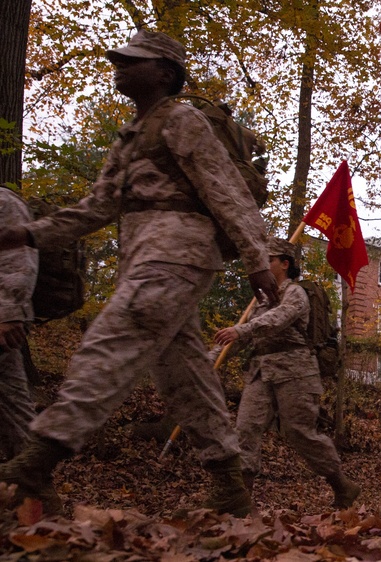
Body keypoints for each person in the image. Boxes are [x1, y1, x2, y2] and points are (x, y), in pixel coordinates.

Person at [0, 30, 278, 516]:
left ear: (165, 74)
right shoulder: (130, 137)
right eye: (120, 60)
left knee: (112, 338)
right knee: (183, 372)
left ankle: (37, 460)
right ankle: (229, 485)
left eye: (133, 61)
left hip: (178, 255)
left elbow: (225, 189)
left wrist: (257, 259)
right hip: (145, 256)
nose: (120, 67)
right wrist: (29, 234)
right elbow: (96, 207)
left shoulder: (183, 119)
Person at [213, 237, 359, 509]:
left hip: (295, 372)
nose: (263, 266)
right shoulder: (259, 300)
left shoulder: (296, 294)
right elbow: (241, 337)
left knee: (300, 432)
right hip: (261, 372)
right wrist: (210, 360)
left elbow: (276, 321)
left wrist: (241, 330)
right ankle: (240, 499)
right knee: (245, 430)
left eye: (268, 260)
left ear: (284, 263)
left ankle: (342, 485)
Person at [0, 188, 39, 460]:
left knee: (16, 418)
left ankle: (34, 492)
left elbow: (19, 261)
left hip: (2, 326)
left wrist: (8, 313)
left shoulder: (4, 202)